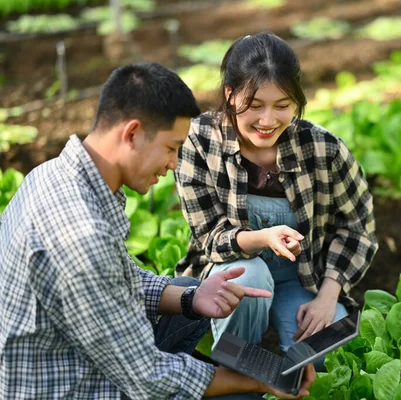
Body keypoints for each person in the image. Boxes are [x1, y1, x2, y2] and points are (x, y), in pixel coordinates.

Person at [0, 62, 314, 399]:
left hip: (66, 356)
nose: (174, 163)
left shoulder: (52, 175)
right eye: (170, 147)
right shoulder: (82, 234)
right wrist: (256, 379)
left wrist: (193, 298)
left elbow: (121, 278)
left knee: (185, 288)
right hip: (67, 387)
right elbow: (147, 378)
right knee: (235, 391)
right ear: (132, 133)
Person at [175, 32, 378, 369]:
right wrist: (261, 239)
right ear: (230, 94)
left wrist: (328, 297)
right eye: (255, 106)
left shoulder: (323, 149)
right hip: (230, 269)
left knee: (331, 360)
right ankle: (235, 369)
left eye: (282, 106)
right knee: (248, 276)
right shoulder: (199, 140)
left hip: (302, 276)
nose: (268, 121)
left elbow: (358, 227)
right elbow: (208, 234)